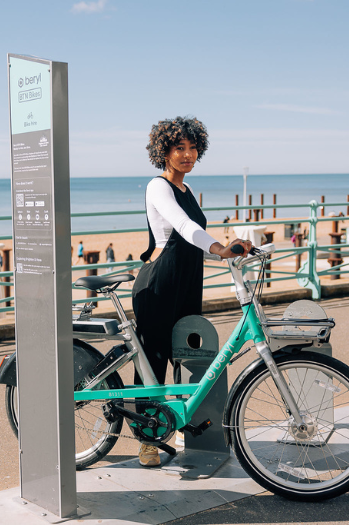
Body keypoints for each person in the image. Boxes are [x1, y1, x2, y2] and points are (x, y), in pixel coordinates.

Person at [132, 116, 252, 467]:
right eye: (179, 148)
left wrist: (229, 250)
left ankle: (181, 423)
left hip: (187, 279)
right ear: (163, 152)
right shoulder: (158, 187)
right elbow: (183, 228)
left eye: (192, 148)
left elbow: (193, 239)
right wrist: (219, 248)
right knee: (152, 360)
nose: (187, 155)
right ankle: (148, 439)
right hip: (160, 281)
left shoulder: (186, 190)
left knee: (185, 352)